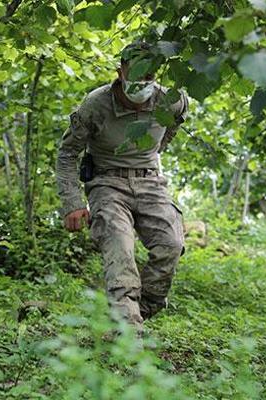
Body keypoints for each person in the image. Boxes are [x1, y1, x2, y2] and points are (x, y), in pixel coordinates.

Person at [56, 42, 189, 335]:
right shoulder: (95, 104)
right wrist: (72, 203)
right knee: (121, 247)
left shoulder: (171, 100)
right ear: (120, 72)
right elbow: (67, 154)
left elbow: (174, 125)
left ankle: (139, 310)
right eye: (135, 74)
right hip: (107, 182)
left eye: (148, 76)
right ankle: (129, 334)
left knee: (171, 244)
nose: (141, 83)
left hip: (150, 181)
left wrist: (153, 152)